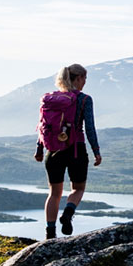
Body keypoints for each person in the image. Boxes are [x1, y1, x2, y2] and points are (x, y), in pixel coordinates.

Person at [34, 63, 101, 239]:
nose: (85, 82)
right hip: (76, 149)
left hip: (53, 150)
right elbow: (90, 128)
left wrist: (39, 149)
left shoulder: (50, 99)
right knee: (78, 189)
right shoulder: (84, 99)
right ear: (78, 78)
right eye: (84, 78)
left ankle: (50, 233)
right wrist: (96, 151)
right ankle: (68, 214)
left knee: (54, 193)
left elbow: (42, 126)